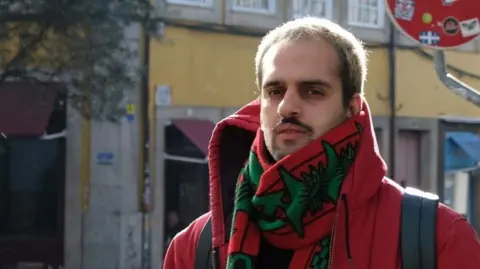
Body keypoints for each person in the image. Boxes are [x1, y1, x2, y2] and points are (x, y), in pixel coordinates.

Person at [164, 17, 480, 269]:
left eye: (313, 91)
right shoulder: (195, 247)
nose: (287, 107)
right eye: (274, 91)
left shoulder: (437, 237)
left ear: (352, 108)